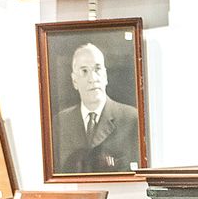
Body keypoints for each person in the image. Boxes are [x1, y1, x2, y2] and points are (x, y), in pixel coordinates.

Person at [52, 43, 139, 175]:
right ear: (74, 81)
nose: (93, 79)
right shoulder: (61, 121)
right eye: (84, 71)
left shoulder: (132, 118)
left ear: (105, 75)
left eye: (97, 69)